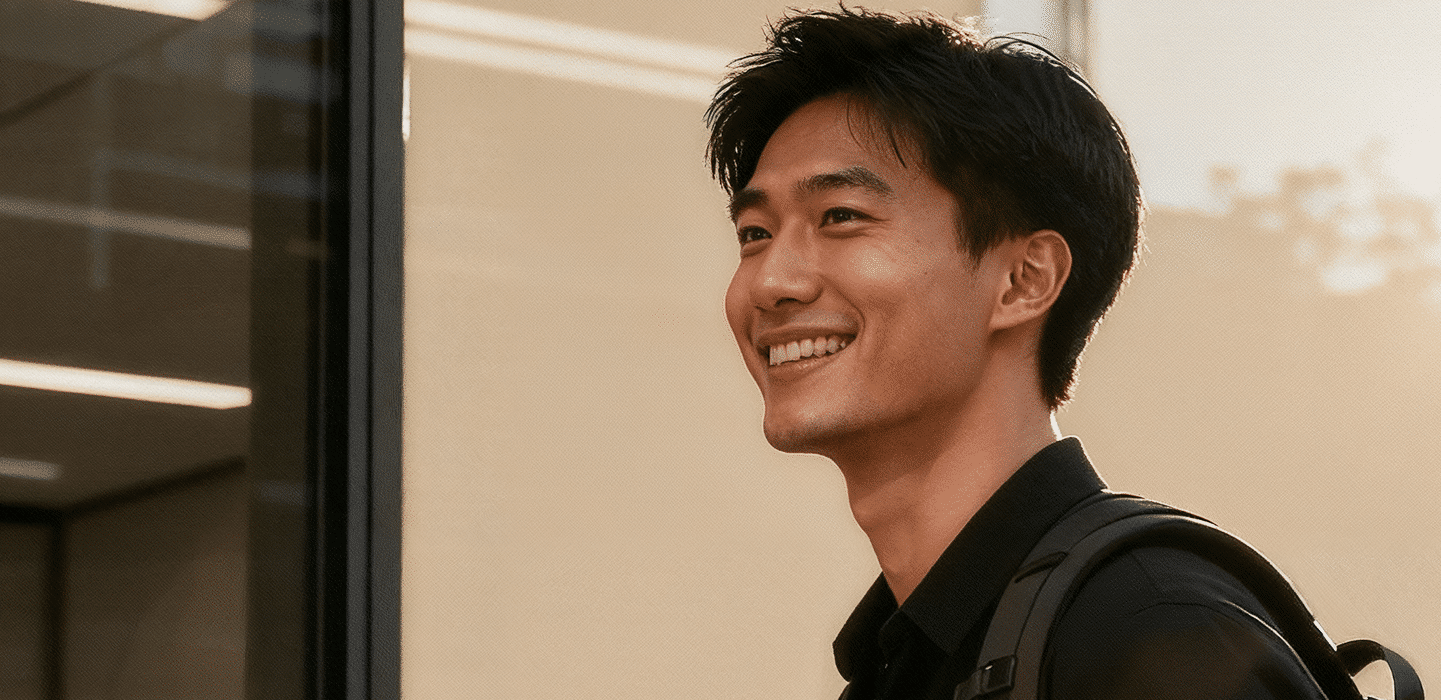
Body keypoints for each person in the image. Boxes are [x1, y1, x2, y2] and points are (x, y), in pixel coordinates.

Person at [706, 7, 1326, 699]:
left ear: (1023, 281)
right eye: (755, 233)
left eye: (841, 217)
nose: (769, 282)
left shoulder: (1149, 632)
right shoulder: (905, 662)